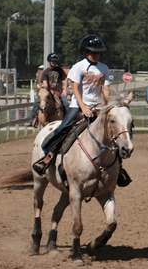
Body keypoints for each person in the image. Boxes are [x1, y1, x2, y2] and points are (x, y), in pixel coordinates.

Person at [32, 34, 111, 175]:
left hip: (98, 106)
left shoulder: (104, 68)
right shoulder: (78, 67)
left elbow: (105, 89)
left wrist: (108, 105)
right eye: (93, 52)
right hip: (79, 104)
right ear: (86, 52)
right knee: (65, 126)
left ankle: (117, 167)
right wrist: (84, 107)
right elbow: (75, 88)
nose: (96, 55)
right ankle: (48, 155)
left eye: (98, 52)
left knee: (114, 130)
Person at [31, 52, 67, 127]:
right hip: (48, 91)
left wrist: (64, 89)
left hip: (58, 92)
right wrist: (50, 90)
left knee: (65, 103)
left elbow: (64, 79)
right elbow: (45, 84)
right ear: (49, 61)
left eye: (55, 61)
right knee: (38, 102)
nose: (54, 62)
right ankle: (34, 118)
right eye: (52, 61)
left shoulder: (60, 70)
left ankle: (67, 120)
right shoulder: (46, 72)